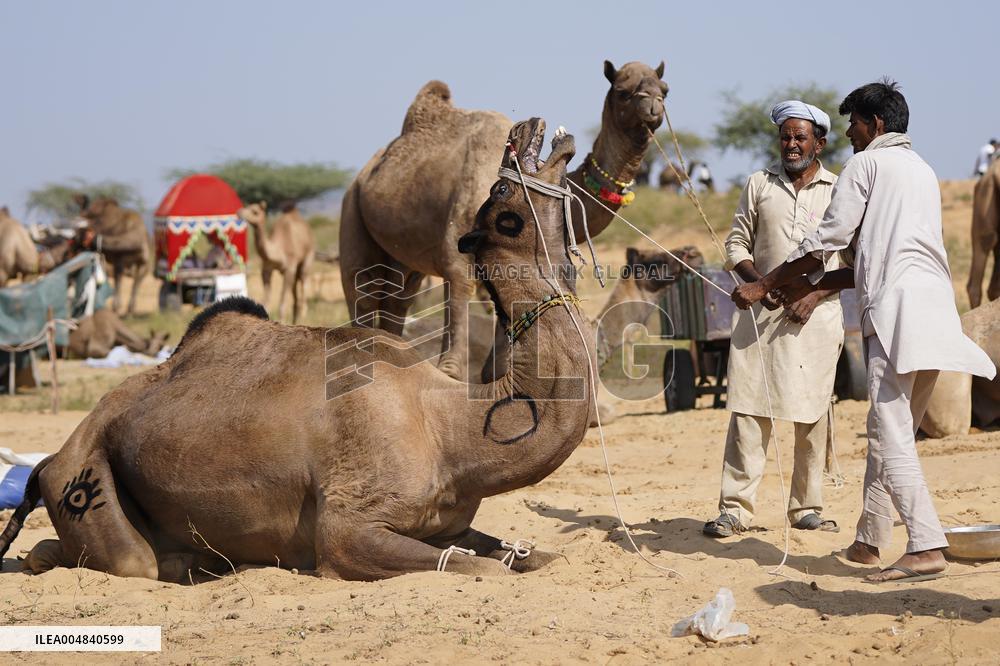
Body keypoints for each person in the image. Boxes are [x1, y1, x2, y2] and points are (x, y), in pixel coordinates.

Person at [733, 79, 997, 582]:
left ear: (875, 124)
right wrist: (801, 288)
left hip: (896, 314)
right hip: (935, 312)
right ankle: (870, 541)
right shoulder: (922, 170)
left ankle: (925, 545)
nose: (849, 133)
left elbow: (827, 240)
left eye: (853, 123)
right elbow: (858, 261)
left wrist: (765, 282)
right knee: (890, 433)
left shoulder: (866, 164)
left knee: (891, 432)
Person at [703, 100, 844, 539]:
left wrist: (815, 294)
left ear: (818, 143)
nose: (792, 144)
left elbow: (854, 262)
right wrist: (757, 284)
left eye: (801, 137)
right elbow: (736, 244)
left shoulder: (839, 189)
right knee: (748, 410)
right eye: (786, 136)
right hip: (758, 318)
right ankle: (735, 510)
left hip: (815, 319)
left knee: (812, 411)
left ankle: (807, 508)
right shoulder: (758, 184)